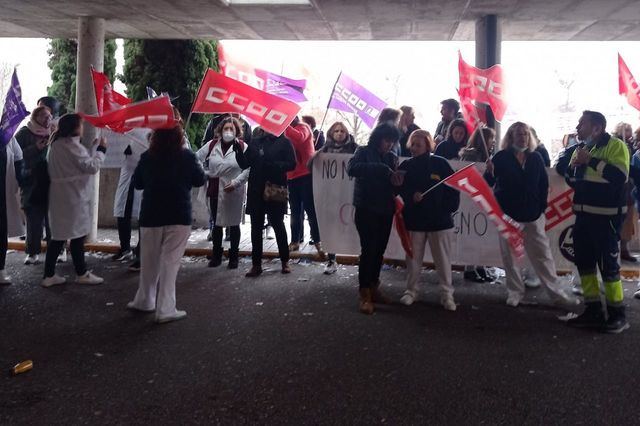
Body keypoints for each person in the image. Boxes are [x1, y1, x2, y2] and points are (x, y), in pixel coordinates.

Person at [485, 121, 575, 308]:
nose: (523, 137)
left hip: (533, 215)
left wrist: (541, 209)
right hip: (509, 216)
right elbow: (489, 182)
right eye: (518, 134)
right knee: (509, 257)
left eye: (525, 134)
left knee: (543, 256)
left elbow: (543, 185)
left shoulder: (536, 158)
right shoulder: (501, 157)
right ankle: (515, 292)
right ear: (510, 137)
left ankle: (556, 294)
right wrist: (489, 171)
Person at [127, 125, 205, 323]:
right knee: (170, 262)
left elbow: (137, 183)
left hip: (151, 215)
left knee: (149, 260)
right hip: (179, 215)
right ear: (180, 137)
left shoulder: (147, 157)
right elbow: (199, 180)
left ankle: (144, 300)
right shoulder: (187, 156)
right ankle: (165, 308)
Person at [564, 111, 630, 333]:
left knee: (609, 269)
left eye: (582, 123)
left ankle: (617, 315)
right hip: (583, 218)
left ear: (597, 128)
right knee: (585, 266)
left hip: (607, 219)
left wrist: (590, 161)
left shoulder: (616, 146)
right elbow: (572, 180)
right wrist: (573, 168)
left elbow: (619, 177)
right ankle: (592, 310)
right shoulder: (583, 148)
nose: (577, 126)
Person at [42, 114, 107, 287]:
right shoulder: (72, 146)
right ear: (75, 127)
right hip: (73, 197)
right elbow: (91, 167)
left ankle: (49, 275)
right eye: (81, 124)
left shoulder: (56, 144)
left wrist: (92, 150)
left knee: (58, 236)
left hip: (60, 195)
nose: (83, 127)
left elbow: (79, 163)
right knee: (78, 235)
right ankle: (81, 273)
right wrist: (101, 151)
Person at [398, 130, 460, 310]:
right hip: (415, 221)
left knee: (443, 260)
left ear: (427, 145)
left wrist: (446, 209)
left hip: (440, 222)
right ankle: (411, 291)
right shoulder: (406, 166)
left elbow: (453, 189)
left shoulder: (440, 164)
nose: (414, 148)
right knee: (413, 259)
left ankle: (447, 294)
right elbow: (399, 190)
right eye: (412, 144)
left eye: (418, 144)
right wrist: (411, 197)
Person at [347, 123, 403, 315]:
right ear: (378, 138)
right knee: (368, 250)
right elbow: (352, 169)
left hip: (386, 209)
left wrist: (398, 182)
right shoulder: (363, 151)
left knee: (379, 250)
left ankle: (374, 287)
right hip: (366, 208)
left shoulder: (392, 157)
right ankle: (364, 294)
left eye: (392, 141)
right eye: (387, 140)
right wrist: (380, 169)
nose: (389, 144)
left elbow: (394, 187)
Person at [235, 127, 296, 277]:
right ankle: (256, 265)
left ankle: (284, 261)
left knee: (278, 225)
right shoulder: (255, 142)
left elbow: (292, 164)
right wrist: (237, 151)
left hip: (275, 189)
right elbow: (244, 164)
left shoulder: (285, 142)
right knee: (256, 228)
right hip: (256, 190)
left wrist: (275, 164)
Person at [196, 116, 249, 269]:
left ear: (236, 131)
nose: (228, 131)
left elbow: (248, 168)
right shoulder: (211, 145)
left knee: (234, 224)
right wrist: (204, 173)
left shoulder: (242, 147)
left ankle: (234, 257)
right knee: (217, 223)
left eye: (231, 129)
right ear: (220, 130)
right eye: (225, 128)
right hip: (215, 187)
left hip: (234, 189)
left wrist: (236, 182)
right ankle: (217, 255)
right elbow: (195, 158)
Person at [310, 121, 358, 275]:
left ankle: (359, 255)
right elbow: (310, 166)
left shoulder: (355, 149)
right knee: (330, 228)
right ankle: (332, 260)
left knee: (353, 226)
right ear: (331, 133)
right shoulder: (325, 149)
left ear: (346, 133)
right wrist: (315, 156)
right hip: (331, 195)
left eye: (342, 131)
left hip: (349, 194)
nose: (339, 133)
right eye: (336, 131)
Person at [14, 106, 52, 265]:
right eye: (44, 116)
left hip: (51, 181)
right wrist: (36, 148)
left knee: (53, 219)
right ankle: (32, 252)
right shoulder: (24, 133)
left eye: (50, 116)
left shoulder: (54, 133)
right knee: (34, 219)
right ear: (35, 117)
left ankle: (58, 249)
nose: (48, 119)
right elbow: (17, 155)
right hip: (31, 182)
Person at [460, 127, 498, 283]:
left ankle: (480, 266)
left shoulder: (489, 156)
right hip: (471, 200)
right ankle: (470, 268)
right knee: (473, 235)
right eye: (491, 139)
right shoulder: (471, 155)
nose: (493, 142)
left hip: (484, 200)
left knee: (482, 236)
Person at [285, 117, 325, 258]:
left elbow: (299, 138)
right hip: (291, 176)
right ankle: (295, 240)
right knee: (295, 211)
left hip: (306, 175)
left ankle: (318, 240)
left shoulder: (303, 127)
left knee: (310, 209)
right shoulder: (285, 131)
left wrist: (284, 125)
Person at [111, 129, 150, 263]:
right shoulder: (129, 130)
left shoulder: (153, 131)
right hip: (127, 173)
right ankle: (125, 248)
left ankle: (141, 252)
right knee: (122, 213)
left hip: (144, 174)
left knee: (143, 216)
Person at [0, 135, 25, 284]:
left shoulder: (7, 137)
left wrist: (22, 182)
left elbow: (18, 158)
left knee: (1, 230)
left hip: (3, 193)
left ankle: (0, 270)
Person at [613, 122, 637, 262]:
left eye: (630, 130)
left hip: (629, 189)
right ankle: (617, 250)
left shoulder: (630, 144)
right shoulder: (616, 144)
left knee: (628, 221)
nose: (629, 132)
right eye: (626, 130)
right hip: (618, 189)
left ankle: (624, 248)